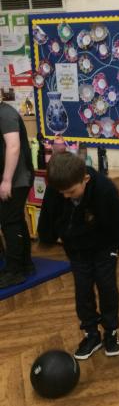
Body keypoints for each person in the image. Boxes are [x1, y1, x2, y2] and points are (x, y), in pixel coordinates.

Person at [38, 151, 119, 359]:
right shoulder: (58, 188)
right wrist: (46, 237)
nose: (66, 196)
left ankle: (111, 332)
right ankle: (91, 334)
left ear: (86, 179)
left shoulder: (104, 189)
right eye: (62, 193)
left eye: (71, 192)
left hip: (104, 246)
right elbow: (48, 213)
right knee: (83, 291)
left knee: (107, 287)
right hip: (76, 248)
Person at [0, 99, 35, 289]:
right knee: (16, 220)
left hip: (16, 180)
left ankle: (15, 271)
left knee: (10, 222)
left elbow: (13, 147)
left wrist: (6, 181)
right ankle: (25, 264)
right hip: (11, 179)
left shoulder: (5, 113)